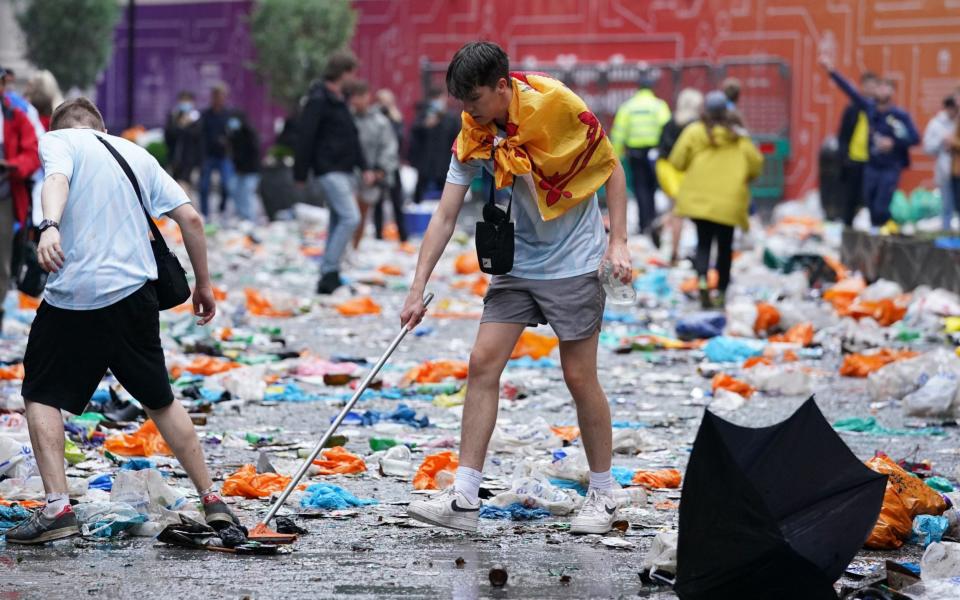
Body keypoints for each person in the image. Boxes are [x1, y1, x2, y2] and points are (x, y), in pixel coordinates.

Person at [402, 42, 632, 535]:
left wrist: (619, 244)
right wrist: (416, 286)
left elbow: (611, 168)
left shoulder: (558, 106)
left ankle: (604, 490)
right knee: (483, 363)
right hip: (517, 261)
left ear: (503, 87)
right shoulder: (474, 133)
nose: (469, 112)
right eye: (463, 104)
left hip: (575, 259)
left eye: (477, 100)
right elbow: (445, 215)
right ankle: (464, 495)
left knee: (578, 376)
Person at [5, 98, 238, 544]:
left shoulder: (58, 141)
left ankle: (57, 508)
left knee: (40, 392)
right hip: (135, 297)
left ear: (59, 129)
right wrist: (203, 284)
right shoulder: (136, 153)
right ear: (103, 127)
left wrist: (49, 225)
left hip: (75, 298)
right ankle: (212, 499)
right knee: (160, 399)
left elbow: (55, 180)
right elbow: (190, 217)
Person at [669, 91, 763, 309]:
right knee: (725, 247)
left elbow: (677, 161)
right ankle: (720, 292)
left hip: (699, 199)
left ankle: (702, 282)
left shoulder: (694, 132)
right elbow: (756, 165)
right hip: (730, 201)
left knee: (703, 243)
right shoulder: (739, 135)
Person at [294, 50, 375, 294]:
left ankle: (330, 274)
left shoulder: (338, 100)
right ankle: (329, 270)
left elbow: (352, 137)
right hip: (328, 169)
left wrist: (364, 167)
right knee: (351, 217)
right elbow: (305, 137)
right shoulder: (319, 99)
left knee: (338, 219)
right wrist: (300, 173)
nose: (355, 78)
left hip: (343, 169)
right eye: (353, 72)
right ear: (343, 72)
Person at [819, 55, 920, 228]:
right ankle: (875, 235)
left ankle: (885, 232)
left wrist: (893, 143)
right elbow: (850, 91)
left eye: (886, 88)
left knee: (882, 206)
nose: (882, 91)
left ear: (892, 92)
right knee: (869, 203)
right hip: (871, 165)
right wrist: (832, 71)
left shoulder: (899, 116)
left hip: (890, 167)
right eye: (880, 87)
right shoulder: (870, 109)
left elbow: (915, 138)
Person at [611, 69, 671, 244]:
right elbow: (666, 129)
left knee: (640, 188)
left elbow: (619, 132)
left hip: (635, 153)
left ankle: (644, 223)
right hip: (654, 153)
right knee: (653, 187)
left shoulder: (628, 107)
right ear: (652, 88)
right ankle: (653, 221)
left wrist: (617, 154)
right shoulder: (659, 106)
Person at [0, 73, 40, 331]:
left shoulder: (16, 115)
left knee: (2, 257)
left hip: (4, 195)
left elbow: (33, 152)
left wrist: (11, 166)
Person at [655, 88, 704, 264]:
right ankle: (674, 253)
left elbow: (660, 147)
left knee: (676, 208)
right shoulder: (695, 125)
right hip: (682, 171)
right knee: (680, 211)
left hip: (665, 169)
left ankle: (660, 225)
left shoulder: (669, 122)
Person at [348, 80, 399, 250]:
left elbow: (389, 148)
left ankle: (353, 248)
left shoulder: (380, 122)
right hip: (349, 175)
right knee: (348, 214)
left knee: (361, 216)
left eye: (360, 96)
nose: (357, 101)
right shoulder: (346, 118)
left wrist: (380, 171)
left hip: (371, 176)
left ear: (367, 97)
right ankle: (343, 249)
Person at [836, 72, 879, 226]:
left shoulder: (878, 110)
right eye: (867, 86)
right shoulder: (853, 109)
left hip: (872, 162)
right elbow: (842, 135)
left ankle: (870, 231)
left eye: (873, 87)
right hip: (853, 160)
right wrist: (844, 157)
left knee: (870, 199)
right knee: (850, 199)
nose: (870, 90)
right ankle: (847, 228)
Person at [409, 87, 460, 204]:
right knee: (420, 191)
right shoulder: (423, 116)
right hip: (425, 162)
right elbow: (414, 135)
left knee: (447, 194)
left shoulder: (450, 118)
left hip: (444, 162)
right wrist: (425, 125)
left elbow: (457, 137)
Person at [373, 88, 409, 244]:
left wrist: (393, 119)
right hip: (378, 165)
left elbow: (399, 139)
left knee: (397, 200)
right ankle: (378, 234)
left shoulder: (395, 117)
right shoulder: (373, 117)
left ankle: (403, 234)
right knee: (378, 201)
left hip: (392, 164)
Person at [198, 83, 235, 218]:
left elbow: (235, 134)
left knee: (227, 186)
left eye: (221, 96)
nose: (218, 98)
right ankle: (205, 214)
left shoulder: (229, 115)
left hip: (224, 156)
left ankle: (222, 208)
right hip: (208, 155)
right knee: (204, 186)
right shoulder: (205, 115)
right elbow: (199, 135)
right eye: (215, 96)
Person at [923, 95, 959, 231]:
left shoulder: (958, 122)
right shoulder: (936, 124)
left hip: (958, 169)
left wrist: (954, 143)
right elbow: (928, 147)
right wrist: (942, 143)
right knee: (947, 205)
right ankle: (946, 232)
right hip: (945, 170)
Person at [226, 111, 261, 223]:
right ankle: (242, 217)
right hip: (239, 171)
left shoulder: (249, 133)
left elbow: (253, 152)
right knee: (235, 192)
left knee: (247, 195)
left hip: (251, 171)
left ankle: (250, 219)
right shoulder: (234, 134)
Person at [164, 91, 203, 190]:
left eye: (187, 100)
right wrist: (181, 125)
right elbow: (169, 134)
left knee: (184, 183)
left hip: (189, 158)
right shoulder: (173, 116)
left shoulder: (196, 117)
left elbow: (197, 136)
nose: (185, 103)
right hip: (175, 157)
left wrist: (186, 126)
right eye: (183, 100)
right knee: (175, 184)